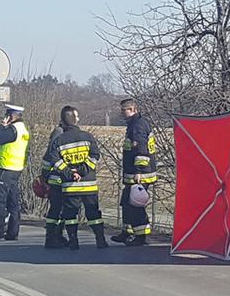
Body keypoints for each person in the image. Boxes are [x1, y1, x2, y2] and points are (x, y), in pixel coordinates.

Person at [41, 104, 107, 251]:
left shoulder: (59, 140)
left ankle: (73, 242)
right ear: (76, 120)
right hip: (89, 183)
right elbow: (95, 156)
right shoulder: (87, 136)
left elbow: (54, 160)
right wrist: (82, 171)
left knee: (70, 215)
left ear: (62, 121)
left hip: (70, 186)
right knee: (93, 213)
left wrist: (70, 173)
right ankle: (100, 240)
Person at [114, 97, 158, 245]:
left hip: (140, 173)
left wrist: (139, 170)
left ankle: (140, 237)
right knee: (126, 202)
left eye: (123, 110)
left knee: (135, 204)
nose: (121, 113)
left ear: (132, 109)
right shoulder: (134, 124)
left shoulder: (138, 125)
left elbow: (141, 149)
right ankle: (127, 232)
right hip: (135, 172)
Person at [0, 103, 29, 240]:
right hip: (16, 169)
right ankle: (13, 233)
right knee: (13, 203)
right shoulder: (23, 129)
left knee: (0, 202)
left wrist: (1, 126)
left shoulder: (12, 130)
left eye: (7, 115)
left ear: (11, 116)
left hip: (6, 168)